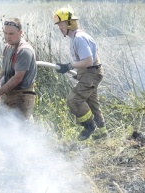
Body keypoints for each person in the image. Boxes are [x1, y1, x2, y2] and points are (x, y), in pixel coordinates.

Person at [53, 7, 106, 140]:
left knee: (74, 100)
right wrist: (73, 71)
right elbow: (86, 62)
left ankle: (89, 125)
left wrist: (69, 66)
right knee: (93, 104)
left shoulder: (79, 38)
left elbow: (88, 61)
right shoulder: (76, 37)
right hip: (89, 73)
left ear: (70, 23)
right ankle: (102, 134)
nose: (59, 27)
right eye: (58, 25)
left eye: (61, 24)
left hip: (91, 73)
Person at [0, 18, 37, 121]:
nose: (7, 37)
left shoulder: (24, 51)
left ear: (20, 33)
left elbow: (18, 78)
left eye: (11, 34)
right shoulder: (7, 47)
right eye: (5, 33)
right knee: (2, 125)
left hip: (21, 97)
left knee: (17, 129)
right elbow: (5, 70)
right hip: (8, 94)